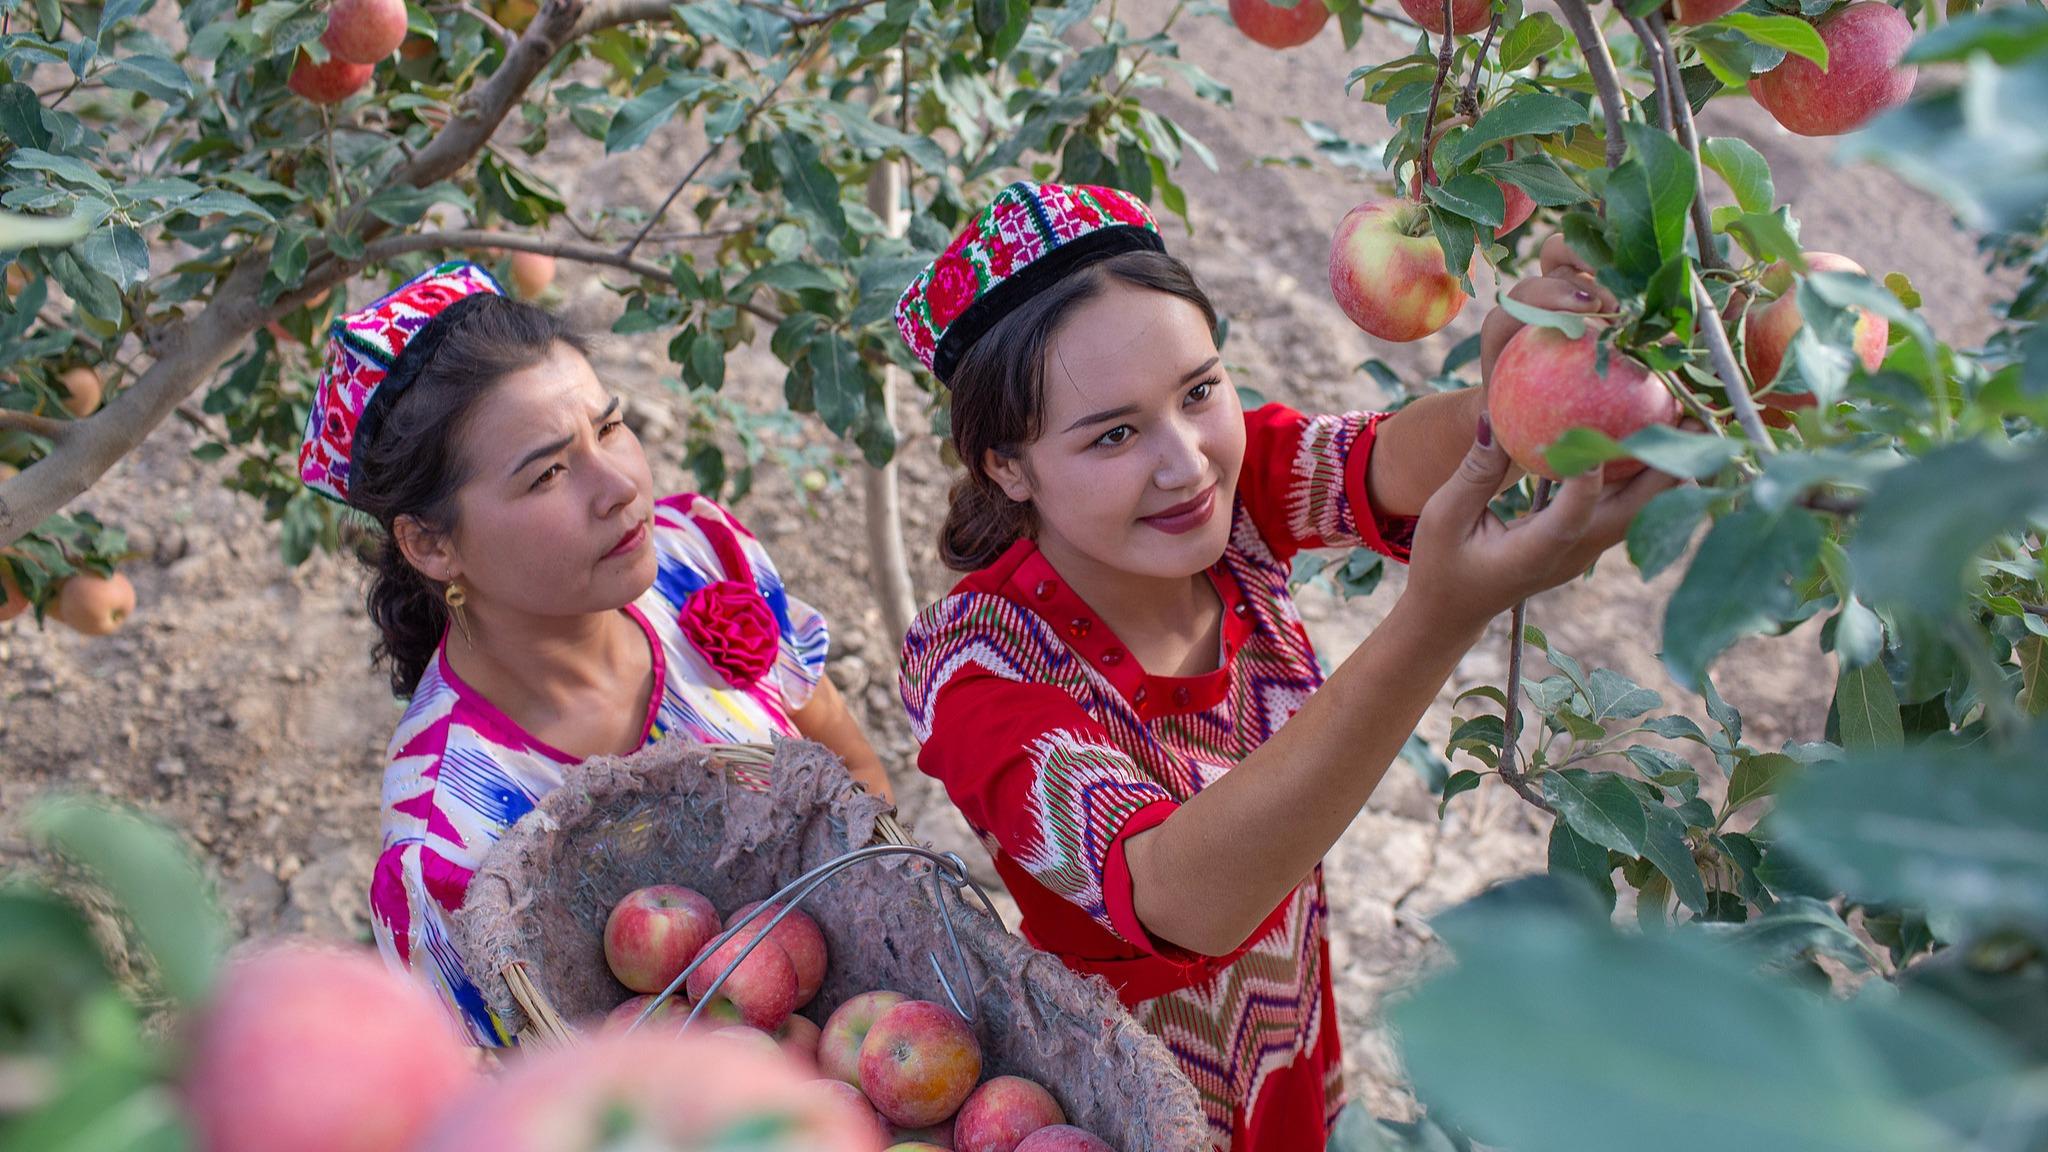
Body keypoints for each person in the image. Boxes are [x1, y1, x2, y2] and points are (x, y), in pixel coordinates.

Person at [893, 183, 1674, 1149]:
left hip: (1292, 1023)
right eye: (1114, 434)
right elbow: (1185, 899)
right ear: (1007, 467)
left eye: (1199, 391)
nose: (1187, 464)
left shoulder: (1236, 499)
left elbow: (1389, 460)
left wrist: (1522, 388)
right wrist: (1437, 622)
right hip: (1127, 1103)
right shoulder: (975, 668)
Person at [299, 261, 890, 1046]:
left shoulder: (697, 559)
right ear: (431, 543)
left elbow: (851, 767)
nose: (617, 485)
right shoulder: (449, 845)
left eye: (609, 428)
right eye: (548, 473)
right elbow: (509, 1101)